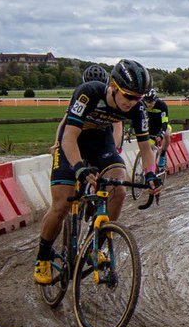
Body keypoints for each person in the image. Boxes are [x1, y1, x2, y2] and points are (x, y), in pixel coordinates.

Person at [33, 59, 162, 285]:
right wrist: (79, 168)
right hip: (73, 141)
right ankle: (43, 255)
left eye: (138, 98)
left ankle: (95, 245)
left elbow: (145, 147)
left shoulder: (138, 109)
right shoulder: (88, 94)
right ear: (112, 86)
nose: (133, 102)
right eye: (129, 96)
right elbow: (69, 136)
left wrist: (151, 174)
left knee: (119, 190)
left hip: (101, 144)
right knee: (62, 204)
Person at [143, 88, 171, 174]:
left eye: (151, 102)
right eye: (147, 102)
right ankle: (151, 169)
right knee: (149, 149)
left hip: (163, 126)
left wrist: (161, 133)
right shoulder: (143, 105)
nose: (148, 104)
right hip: (152, 128)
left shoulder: (162, 105)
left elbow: (165, 122)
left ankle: (162, 154)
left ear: (155, 100)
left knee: (166, 134)